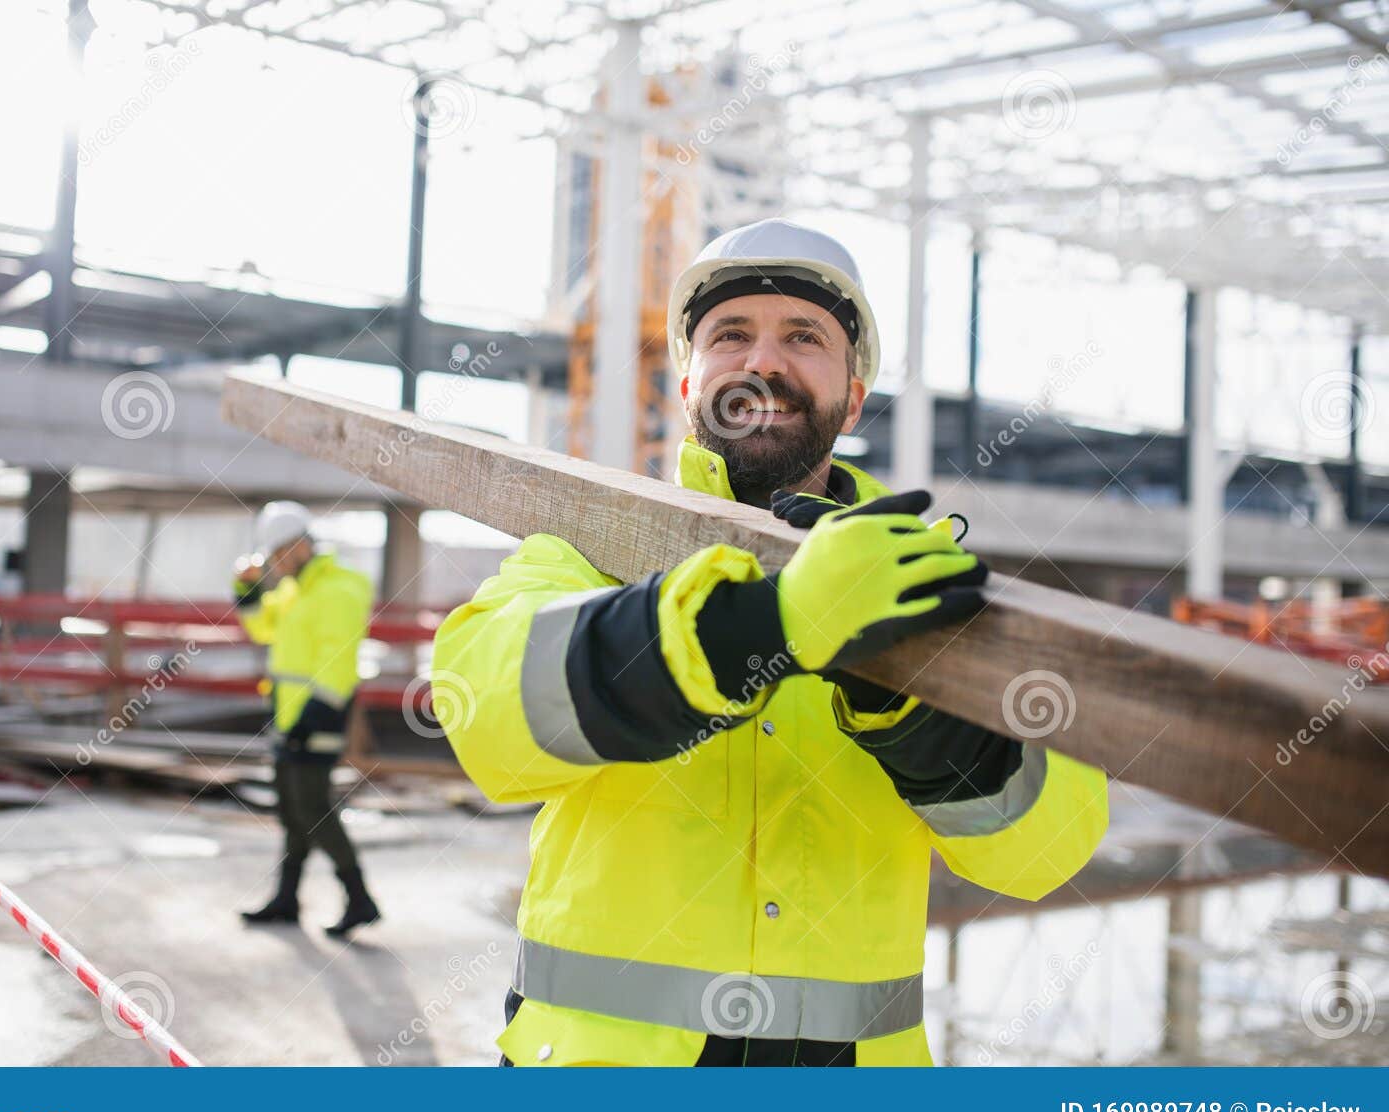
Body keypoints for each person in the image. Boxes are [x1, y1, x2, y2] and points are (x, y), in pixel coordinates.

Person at [432, 219, 1109, 1066]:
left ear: (853, 397)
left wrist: (903, 696)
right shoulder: (583, 556)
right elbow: (485, 718)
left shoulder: (928, 589)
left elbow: (1044, 851)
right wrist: (761, 624)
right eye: (731, 335)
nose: (763, 362)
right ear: (688, 384)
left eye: (803, 337)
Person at [235, 501, 381, 937]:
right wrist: (246, 591)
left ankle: (360, 899)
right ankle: (286, 898)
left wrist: (314, 716)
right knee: (292, 810)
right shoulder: (293, 591)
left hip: (317, 719)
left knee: (314, 810)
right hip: (287, 718)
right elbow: (261, 629)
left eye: (280, 554)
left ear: (300, 546)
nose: (275, 564)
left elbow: (338, 659)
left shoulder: (338, 589)